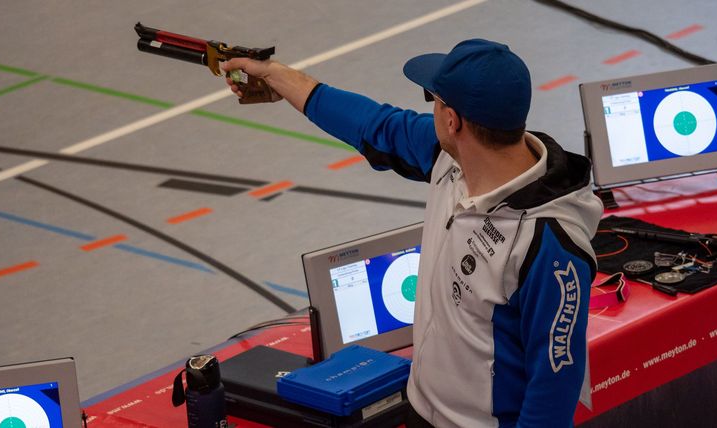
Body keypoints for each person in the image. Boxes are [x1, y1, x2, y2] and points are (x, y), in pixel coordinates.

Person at [222, 39, 603, 428]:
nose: (431, 113)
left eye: (432, 100)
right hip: (422, 407)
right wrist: (278, 77)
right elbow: (372, 124)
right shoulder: (453, 159)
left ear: (452, 120)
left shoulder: (548, 247)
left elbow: (553, 395)